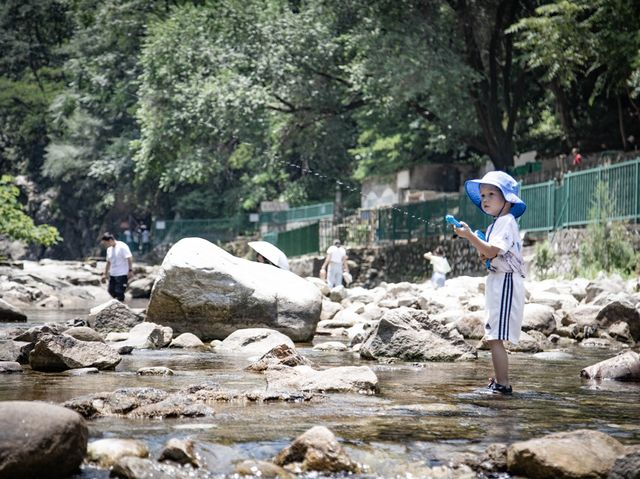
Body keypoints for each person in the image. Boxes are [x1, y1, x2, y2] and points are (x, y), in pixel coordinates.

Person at [452, 171, 526, 395]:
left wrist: (470, 238)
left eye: (491, 194)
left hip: (506, 283)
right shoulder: (497, 224)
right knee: (493, 333)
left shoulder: (506, 221)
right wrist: (478, 245)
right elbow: (489, 254)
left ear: (508, 199)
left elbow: (493, 250)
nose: (485, 199)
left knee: (495, 337)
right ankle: (498, 379)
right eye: (483, 195)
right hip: (497, 281)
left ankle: (503, 385)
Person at [100, 232, 133, 302]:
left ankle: (122, 307)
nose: (106, 245)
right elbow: (108, 262)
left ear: (110, 240)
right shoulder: (109, 249)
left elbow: (129, 258)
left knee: (119, 291)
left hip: (122, 273)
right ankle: (118, 304)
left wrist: (130, 270)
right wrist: (105, 274)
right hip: (113, 274)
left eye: (106, 243)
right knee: (110, 290)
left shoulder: (122, 246)